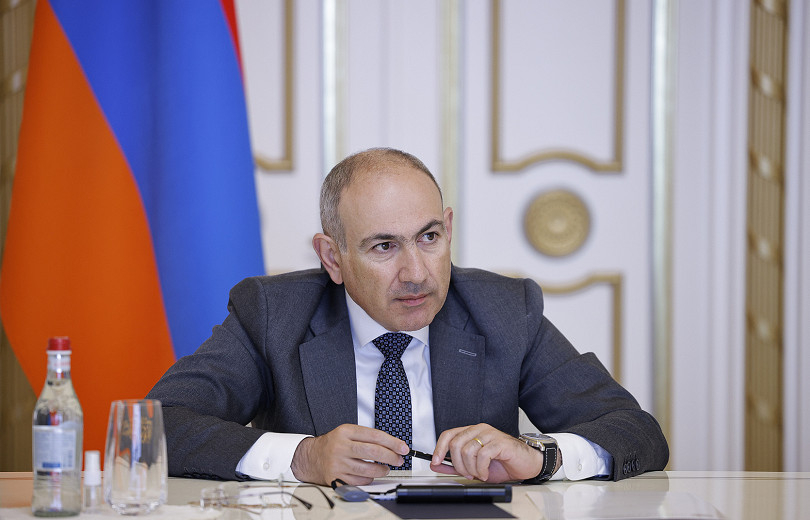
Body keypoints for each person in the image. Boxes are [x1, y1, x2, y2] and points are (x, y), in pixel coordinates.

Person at [147, 147, 668, 486]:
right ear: (332, 257)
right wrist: (303, 457)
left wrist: (541, 457)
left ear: (448, 228)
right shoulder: (272, 313)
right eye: (384, 247)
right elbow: (157, 425)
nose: (417, 273)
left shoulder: (506, 310)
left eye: (429, 237)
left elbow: (636, 431)